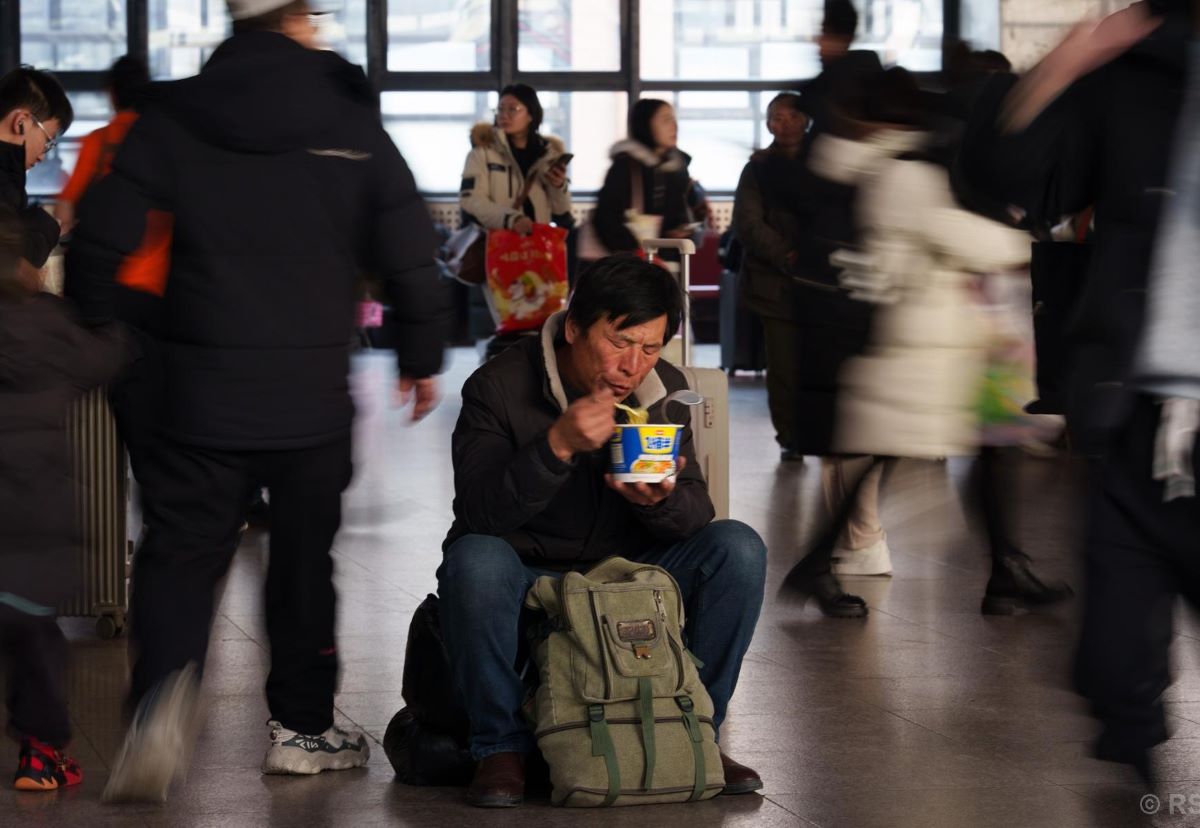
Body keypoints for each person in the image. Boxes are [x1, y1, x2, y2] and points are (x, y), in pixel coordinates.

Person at [64, 0, 447, 802]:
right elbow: (410, 249)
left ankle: (158, 711)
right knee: (304, 559)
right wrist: (419, 353)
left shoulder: (175, 116)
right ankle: (302, 730)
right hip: (308, 393)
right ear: (298, 20)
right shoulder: (349, 122)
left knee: (182, 550)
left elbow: (100, 232)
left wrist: (108, 325)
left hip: (197, 388)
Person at [959, 0, 1196, 780]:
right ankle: (1134, 753)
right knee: (1115, 660)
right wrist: (1057, 72)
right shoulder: (1138, 76)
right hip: (1134, 403)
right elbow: (1018, 187)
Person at [437, 255, 767, 808]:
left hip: (629, 570)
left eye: (649, 348)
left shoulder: (665, 391)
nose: (631, 366)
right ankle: (499, 747)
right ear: (572, 328)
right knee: (474, 559)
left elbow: (694, 511)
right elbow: (479, 514)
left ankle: (695, 733)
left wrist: (659, 502)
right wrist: (556, 445)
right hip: (529, 572)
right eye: (619, 342)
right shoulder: (498, 386)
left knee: (738, 547)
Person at [0, 204, 128, 792]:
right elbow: (102, 357)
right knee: (35, 639)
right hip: (29, 514)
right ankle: (40, 753)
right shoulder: (43, 321)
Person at [732, 91, 811, 462]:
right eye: (778, 117)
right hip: (774, 284)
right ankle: (791, 437)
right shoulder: (758, 169)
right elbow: (747, 223)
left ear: (808, 119)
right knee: (783, 367)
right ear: (768, 125)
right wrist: (788, 254)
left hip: (823, 283)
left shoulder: (825, 163)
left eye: (794, 116)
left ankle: (821, 431)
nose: (787, 123)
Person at [593, 99, 708, 255]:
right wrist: (635, 252)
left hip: (670, 260)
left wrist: (688, 223)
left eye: (674, 119)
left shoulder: (677, 167)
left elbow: (678, 216)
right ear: (645, 124)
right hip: (632, 263)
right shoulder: (626, 166)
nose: (674, 126)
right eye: (666, 120)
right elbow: (606, 220)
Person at [459, 83, 572, 235]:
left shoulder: (548, 156)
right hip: (495, 245)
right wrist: (511, 220)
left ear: (531, 114)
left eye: (513, 109)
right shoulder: (482, 154)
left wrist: (558, 186)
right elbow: (471, 200)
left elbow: (561, 212)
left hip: (536, 247)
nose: (504, 115)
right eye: (500, 109)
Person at [0, 67, 72, 276]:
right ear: (21, 121)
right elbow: (14, 269)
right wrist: (47, 225)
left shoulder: (9, 172)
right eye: (48, 141)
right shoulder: (5, 179)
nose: (42, 155)